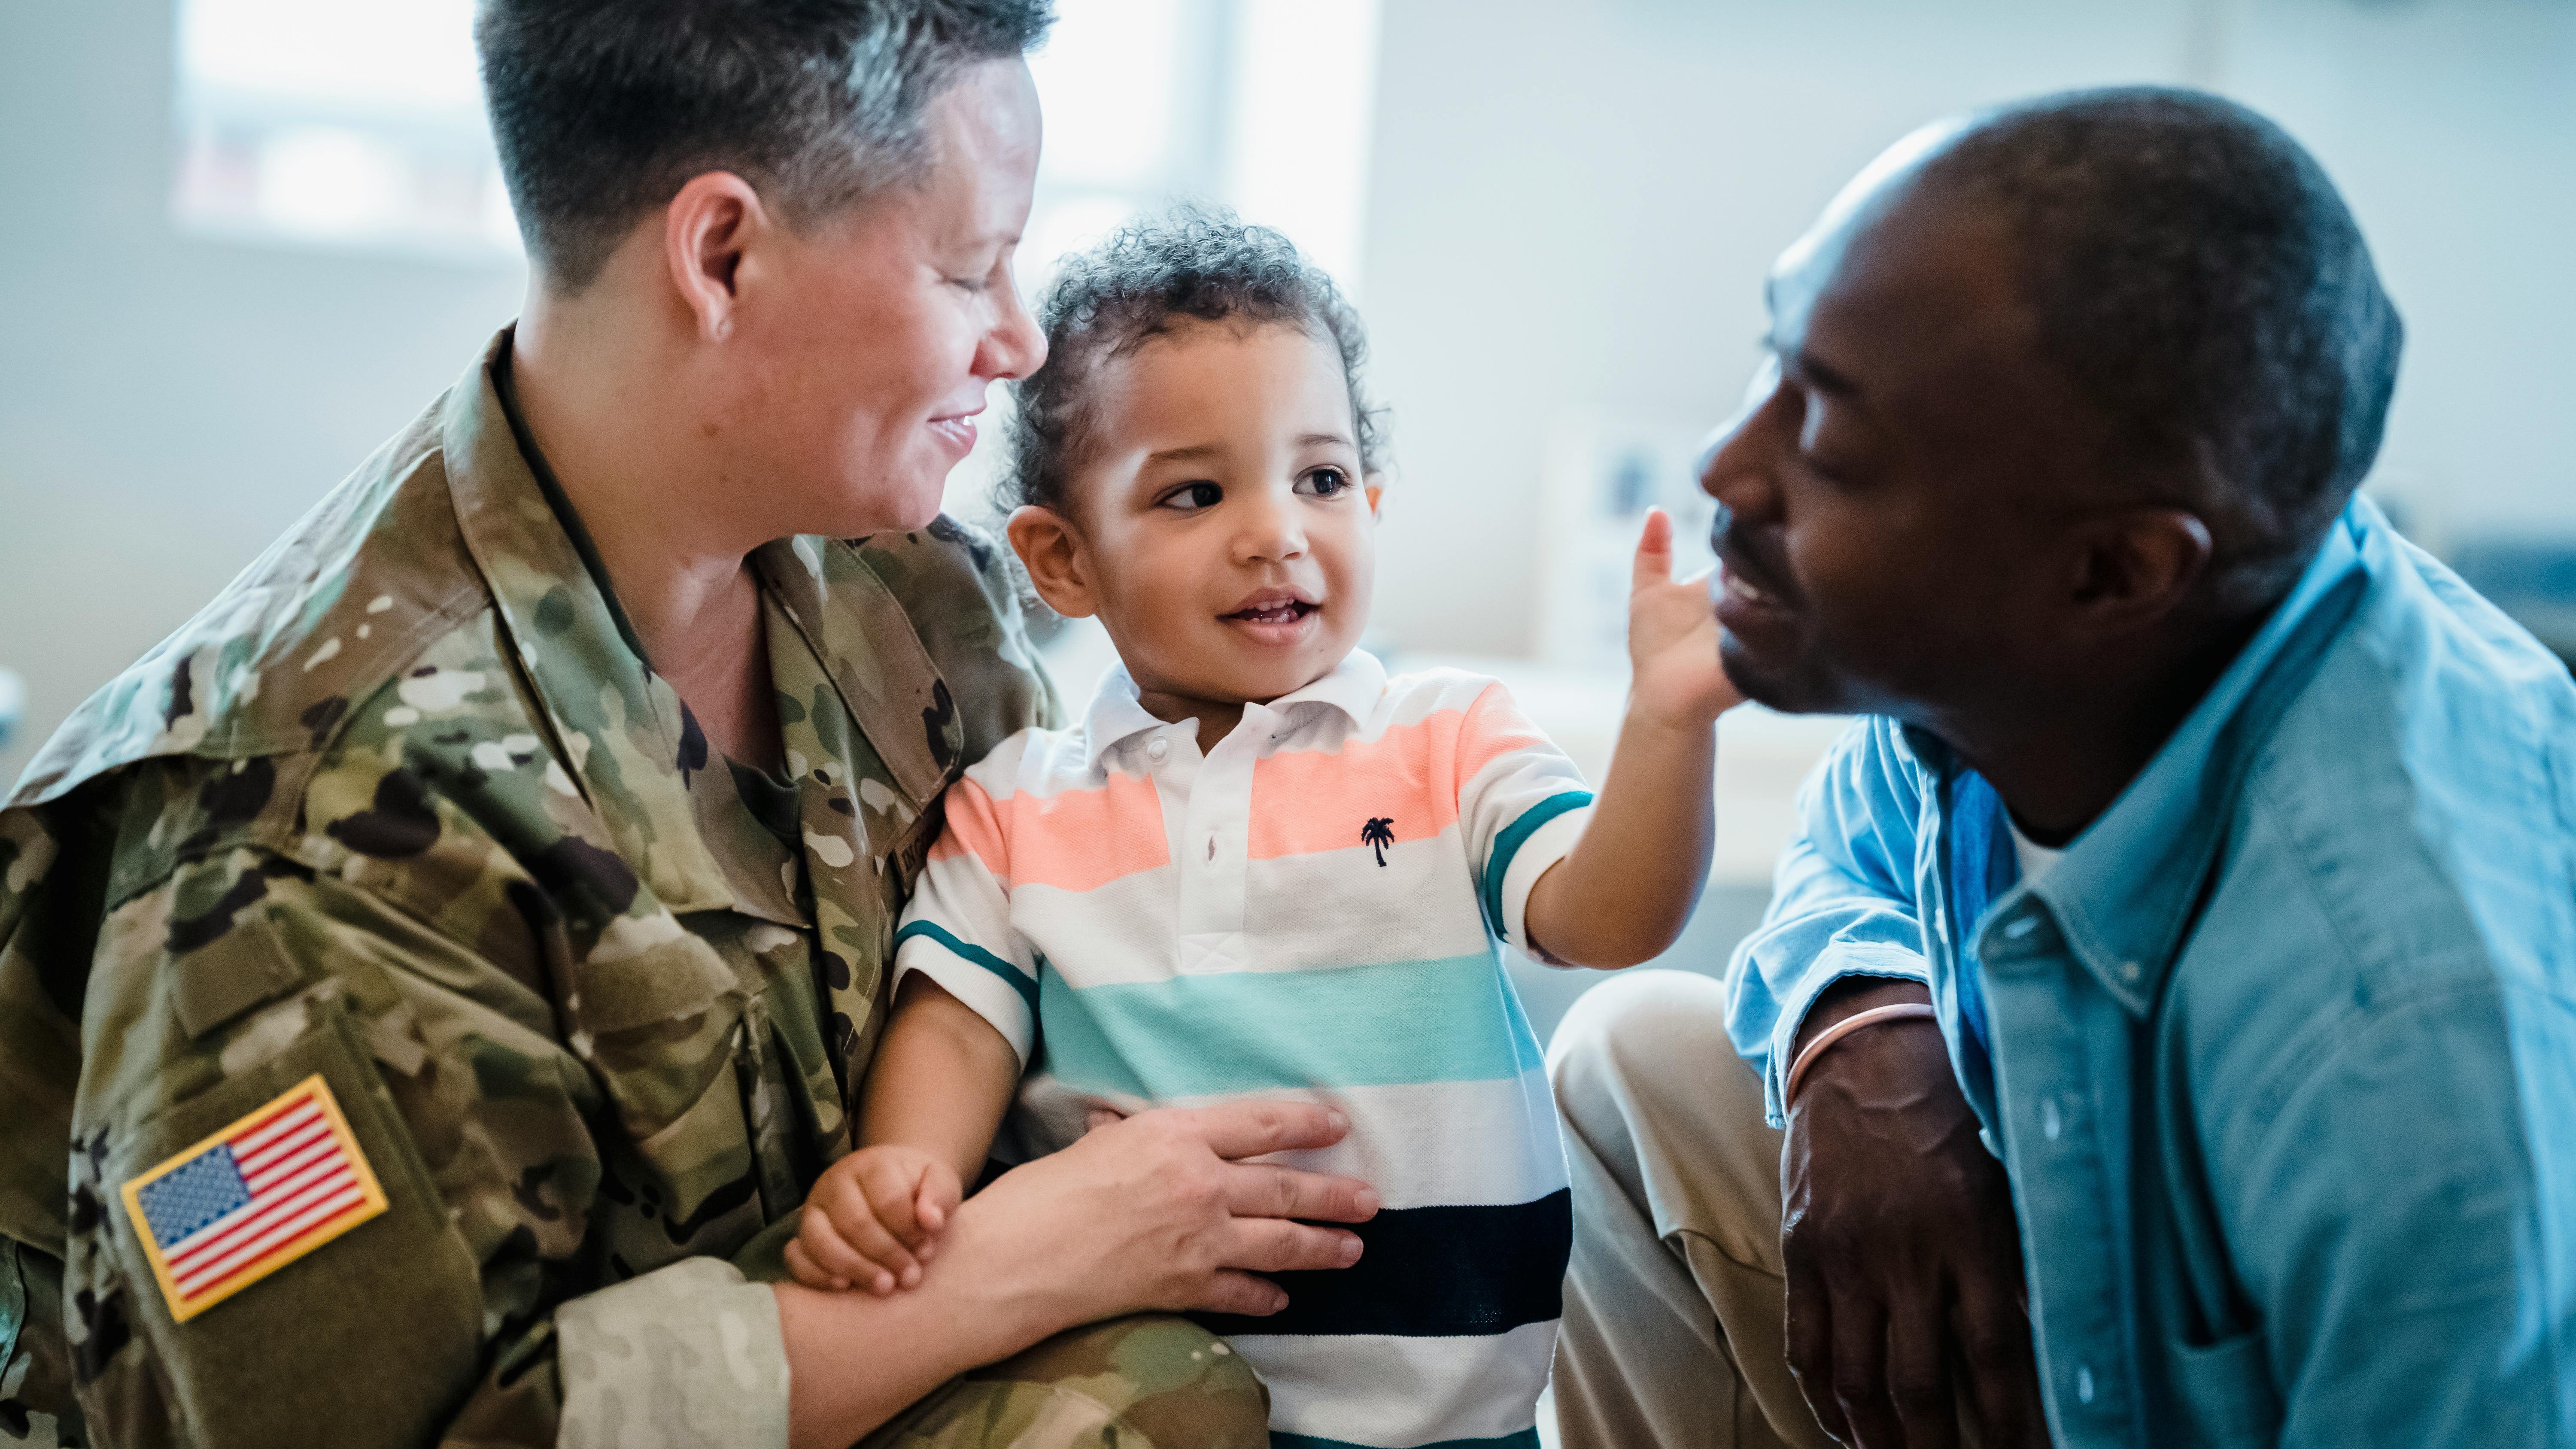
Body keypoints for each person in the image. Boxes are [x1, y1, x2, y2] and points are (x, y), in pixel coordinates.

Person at [0, 5, 1387, 1447]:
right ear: (721, 256)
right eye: (969, 268)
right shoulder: (297, 832)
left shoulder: (901, 585)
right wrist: (1016, 1263)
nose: (1019, 338)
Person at [1549, 86, 2576, 1449]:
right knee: (1631, 1061)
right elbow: (1852, 845)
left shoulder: (2401, 1036)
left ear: (2115, 570)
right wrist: (1863, 1028)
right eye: (1772, 362)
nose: (1725, 467)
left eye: (1834, 440)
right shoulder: (2042, 663)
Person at [781, 210, 1743, 1449]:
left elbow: (1606, 920)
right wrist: (906, 1171)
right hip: (1125, 1411)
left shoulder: (1449, 739)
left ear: (1371, 508)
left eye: (1321, 481)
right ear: (1064, 562)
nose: (1276, 531)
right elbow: (959, 1024)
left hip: (1457, 1425)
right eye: (1196, 492)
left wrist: (1669, 725)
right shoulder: (1018, 804)